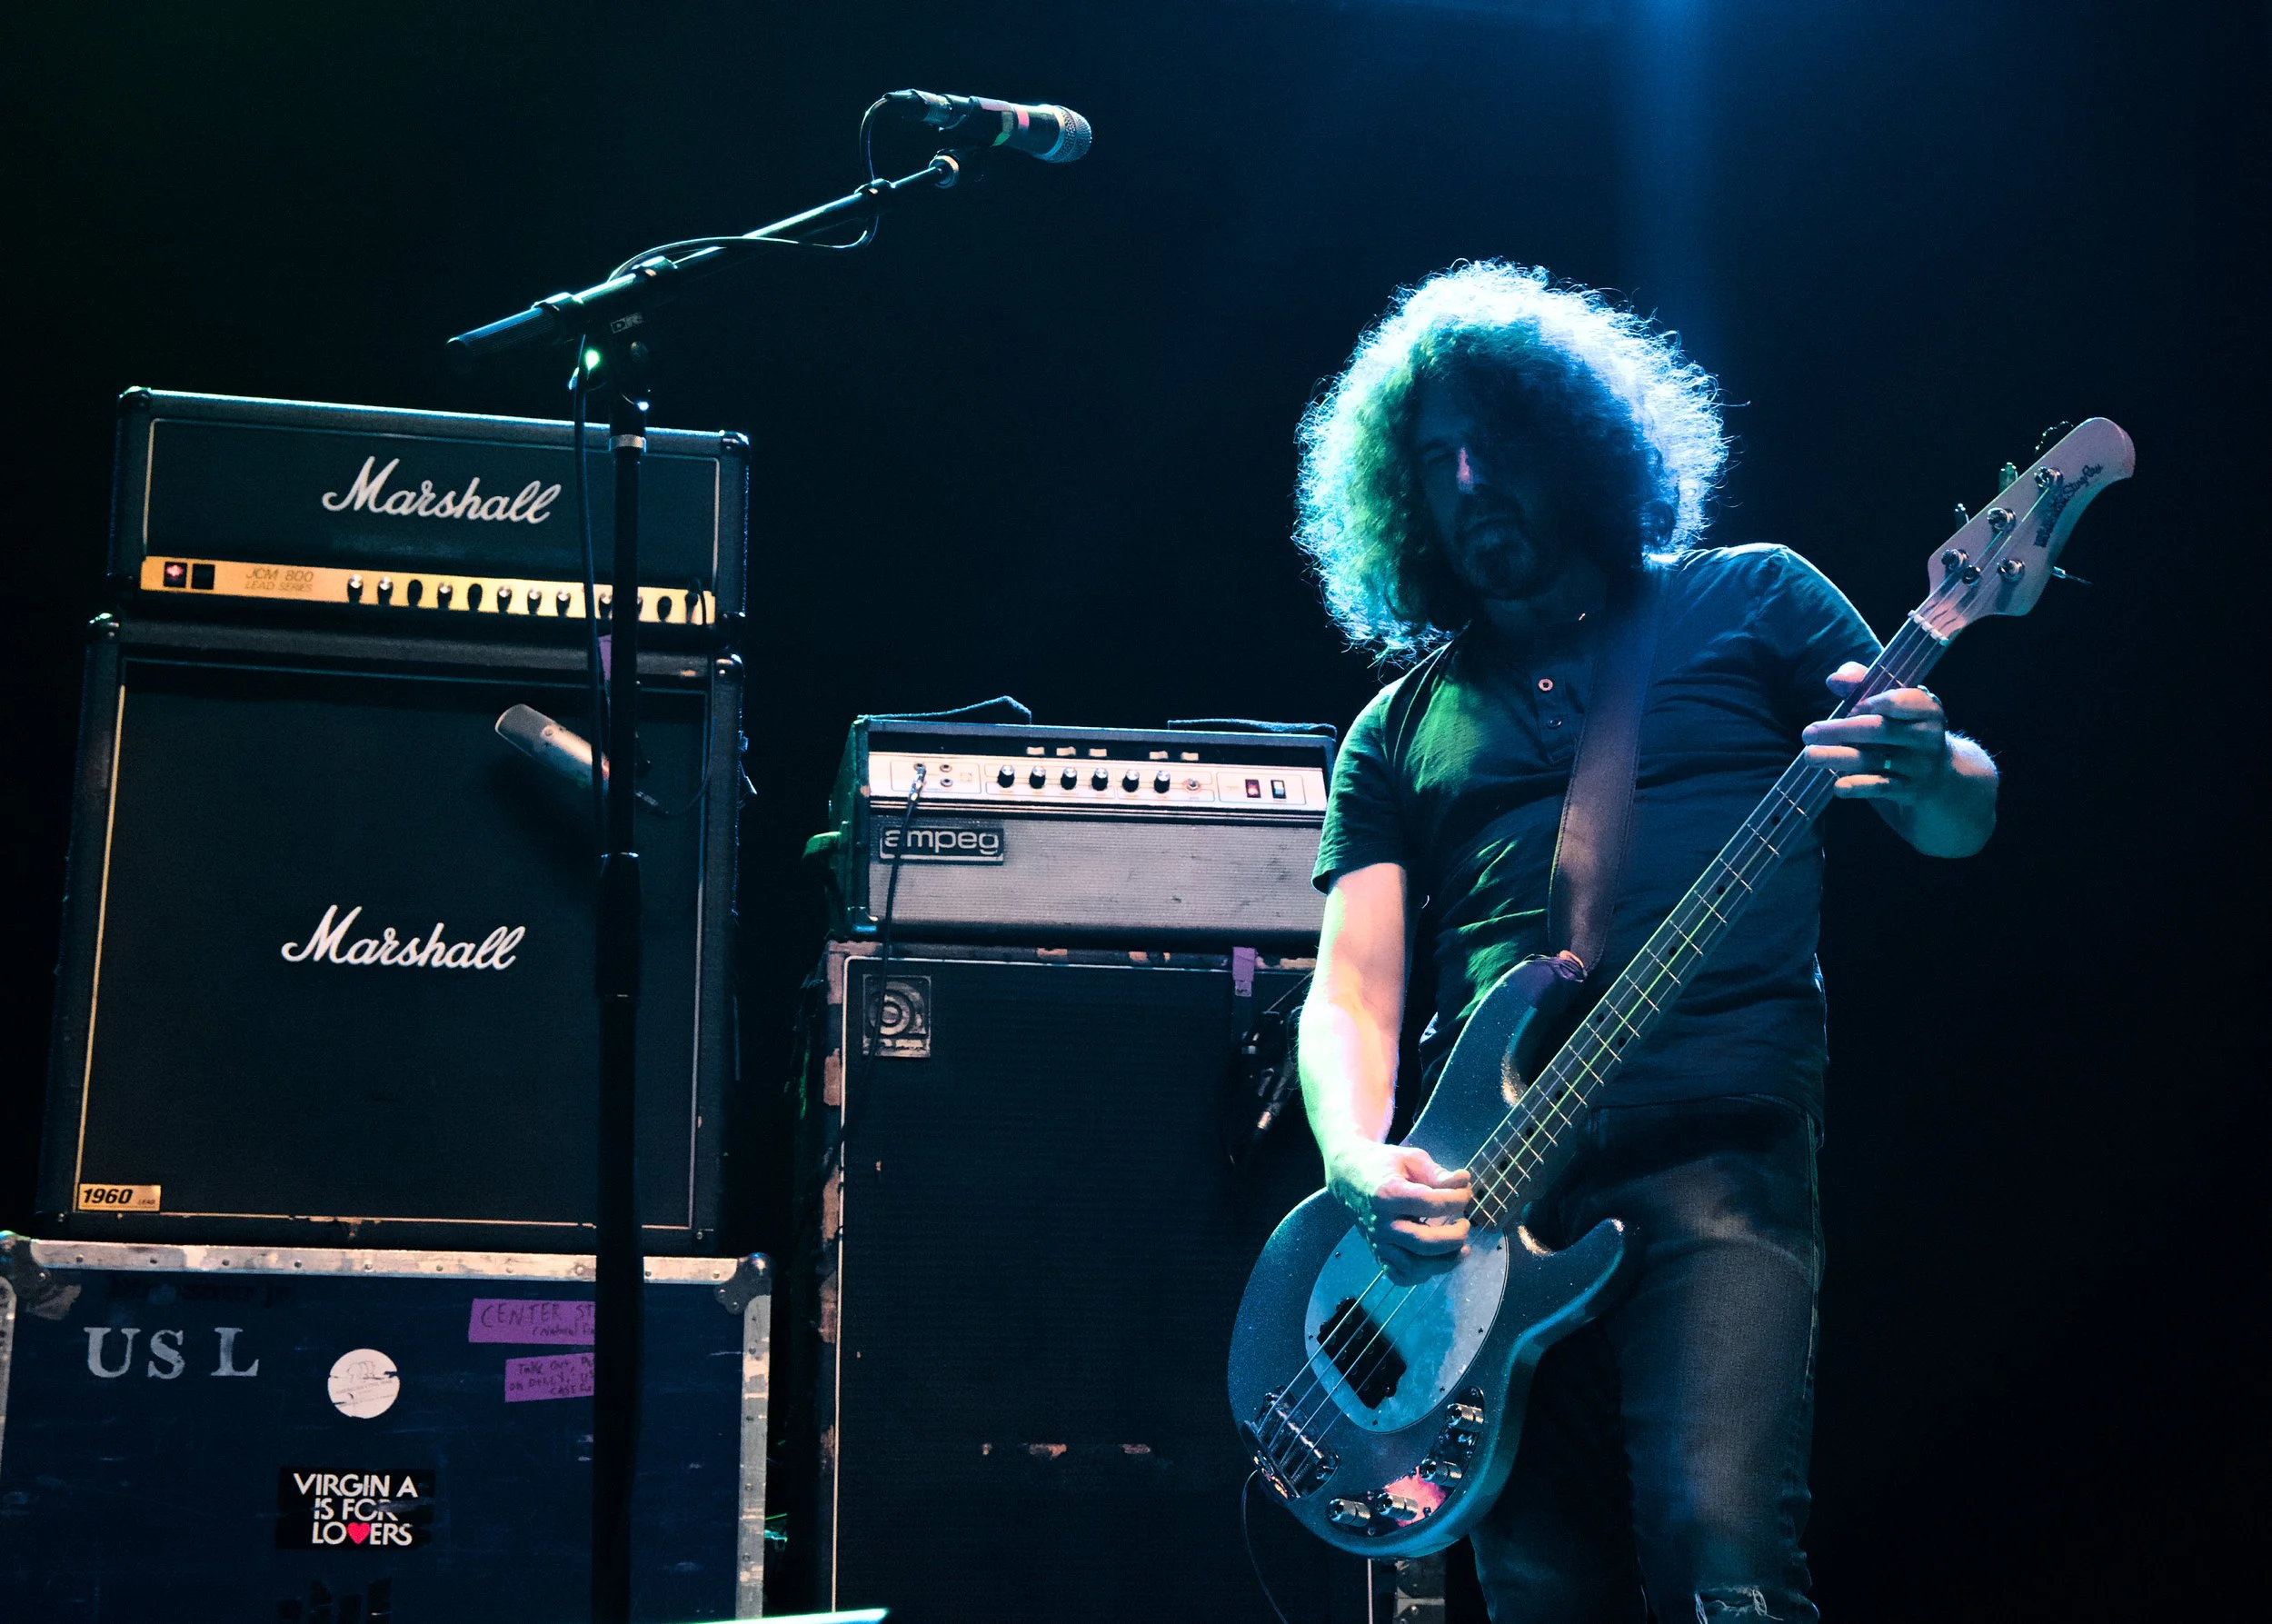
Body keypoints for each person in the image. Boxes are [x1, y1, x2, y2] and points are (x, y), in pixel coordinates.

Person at [1292, 263, 1998, 1622]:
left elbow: (1955, 817)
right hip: (1485, 1211)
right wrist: (1352, 1152)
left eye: (1496, 438)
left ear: (1576, 439)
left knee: (1717, 1556)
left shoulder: (1754, 602)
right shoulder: (1396, 726)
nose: (1469, 477)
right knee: (1540, 1585)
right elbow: (1354, 990)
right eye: (1435, 458)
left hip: (1713, 1157)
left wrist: (1924, 761)